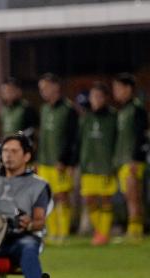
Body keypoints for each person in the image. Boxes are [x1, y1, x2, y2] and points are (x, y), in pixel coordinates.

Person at [0, 134, 52, 278]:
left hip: (21, 238)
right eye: (5, 151)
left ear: (27, 156)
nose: (8, 155)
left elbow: (40, 221)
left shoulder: (38, 185)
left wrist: (30, 224)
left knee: (29, 247)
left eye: (14, 151)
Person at [37, 73, 78, 244]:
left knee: (62, 195)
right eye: (41, 89)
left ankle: (64, 232)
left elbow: (72, 137)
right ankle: (52, 233)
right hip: (44, 160)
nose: (42, 92)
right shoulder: (44, 109)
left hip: (59, 162)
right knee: (47, 197)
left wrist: (66, 160)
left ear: (55, 87)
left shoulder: (68, 109)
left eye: (45, 88)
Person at [78, 82, 118, 246]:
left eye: (99, 97)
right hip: (88, 165)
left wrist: (114, 163)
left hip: (106, 165)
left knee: (106, 200)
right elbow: (79, 141)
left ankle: (103, 234)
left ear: (106, 98)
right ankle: (100, 232)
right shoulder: (86, 117)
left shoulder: (114, 117)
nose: (96, 100)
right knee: (89, 200)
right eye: (94, 96)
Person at [112, 73, 148, 242]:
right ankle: (132, 230)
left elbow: (141, 136)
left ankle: (136, 230)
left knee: (134, 196)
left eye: (118, 88)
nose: (115, 92)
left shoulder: (137, 109)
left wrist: (135, 159)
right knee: (129, 197)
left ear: (128, 89)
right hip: (123, 160)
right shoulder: (123, 110)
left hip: (133, 161)